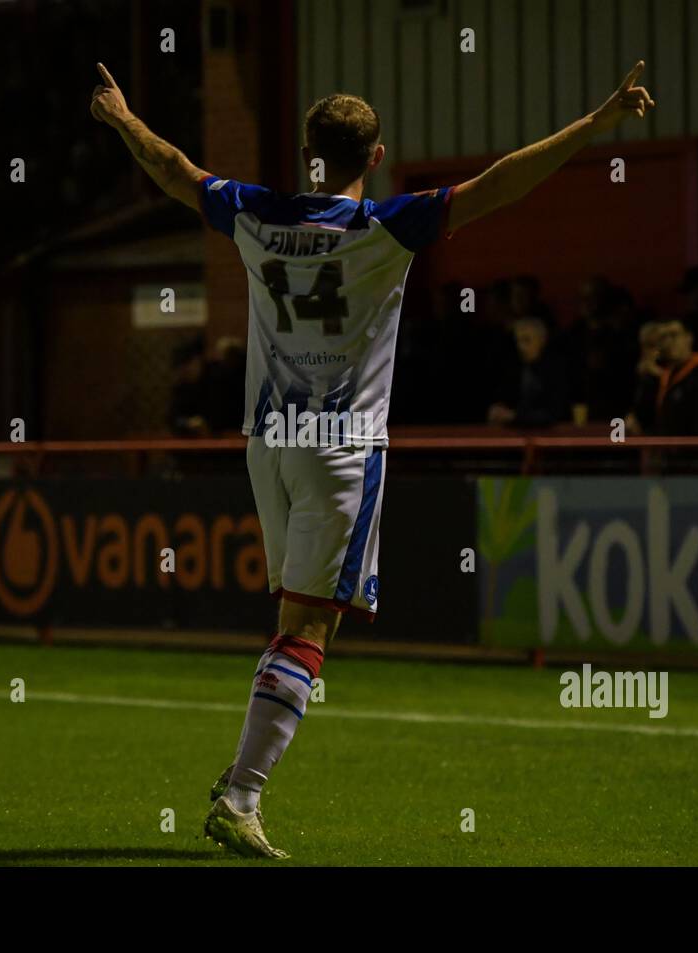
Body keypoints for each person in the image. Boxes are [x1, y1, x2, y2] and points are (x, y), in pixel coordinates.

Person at [91, 58, 655, 858]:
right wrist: (595, 126)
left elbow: (173, 168)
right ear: (376, 157)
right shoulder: (389, 229)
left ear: (308, 155)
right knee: (309, 627)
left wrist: (121, 118)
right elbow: (502, 183)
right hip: (341, 448)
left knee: (293, 616)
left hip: (266, 444)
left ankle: (243, 773)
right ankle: (244, 794)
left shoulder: (251, 213)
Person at [629, 317, 698, 435]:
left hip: (692, 449)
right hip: (665, 449)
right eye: (664, 338)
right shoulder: (662, 375)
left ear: (689, 337)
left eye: (674, 335)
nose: (669, 342)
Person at [487, 317, 571, 427]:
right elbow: (504, 399)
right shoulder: (514, 367)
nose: (521, 347)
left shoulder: (556, 370)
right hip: (516, 436)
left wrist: (514, 416)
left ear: (542, 340)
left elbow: (552, 415)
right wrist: (498, 410)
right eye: (518, 341)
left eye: (527, 340)